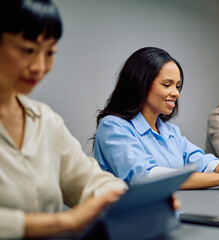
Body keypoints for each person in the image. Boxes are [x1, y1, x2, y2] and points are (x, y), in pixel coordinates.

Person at [0, 1, 130, 239]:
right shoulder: (114, 124)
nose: (40, 67)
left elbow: (87, 178)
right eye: (28, 50)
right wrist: (65, 221)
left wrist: (134, 200)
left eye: (50, 53)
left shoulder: (46, 120)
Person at [93, 47, 219, 190]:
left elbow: (202, 161)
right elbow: (146, 176)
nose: (175, 93)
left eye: (177, 86)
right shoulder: (113, 127)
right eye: (167, 84)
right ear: (140, 83)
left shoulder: (169, 131)